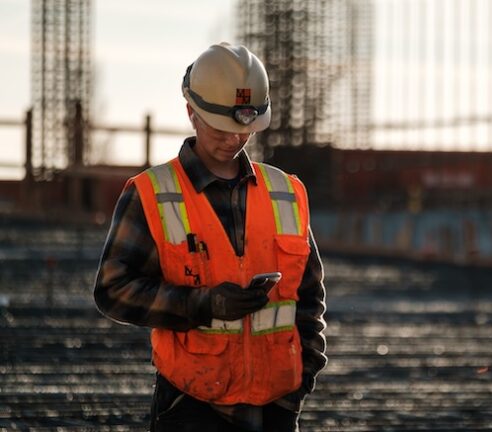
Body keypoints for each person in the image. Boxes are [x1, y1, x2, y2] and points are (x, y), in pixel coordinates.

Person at [94, 42, 327, 432]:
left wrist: (301, 380)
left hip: (276, 407)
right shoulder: (153, 193)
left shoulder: (284, 192)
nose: (233, 140)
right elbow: (112, 290)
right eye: (222, 128)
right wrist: (201, 304)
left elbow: (308, 297)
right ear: (192, 113)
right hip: (191, 407)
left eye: (244, 129)